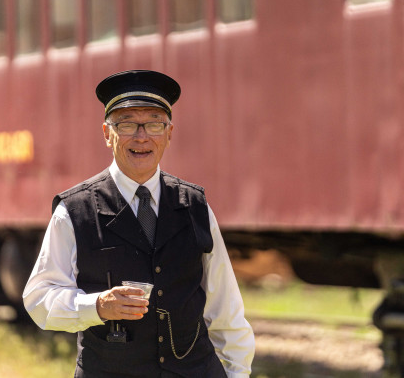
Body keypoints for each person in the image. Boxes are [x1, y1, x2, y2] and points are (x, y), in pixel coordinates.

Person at [23, 69, 255, 377]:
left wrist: (238, 373)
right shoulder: (74, 211)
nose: (142, 136)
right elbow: (39, 298)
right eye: (127, 123)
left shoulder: (195, 206)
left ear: (169, 133)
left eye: (154, 124)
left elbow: (225, 307)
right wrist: (96, 307)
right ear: (107, 133)